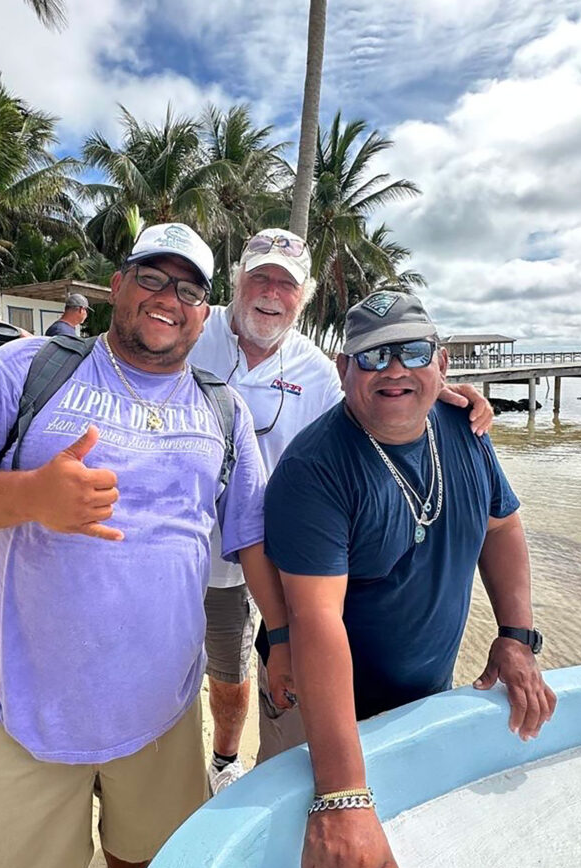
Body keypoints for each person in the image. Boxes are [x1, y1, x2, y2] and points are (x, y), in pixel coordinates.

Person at [0, 222, 291, 868]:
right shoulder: (29, 368)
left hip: (160, 715)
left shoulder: (219, 408)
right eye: (152, 279)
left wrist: (285, 640)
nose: (169, 299)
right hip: (18, 711)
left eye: (189, 289)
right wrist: (29, 499)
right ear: (116, 285)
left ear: (206, 316)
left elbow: (252, 533)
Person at [263, 290, 556, 868]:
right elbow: (315, 624)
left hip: (424, 687)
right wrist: (340, 792)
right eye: (372, 356)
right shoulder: (314, 470)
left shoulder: (462, 429)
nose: (392, 368)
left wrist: (516, 638)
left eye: (412, 350)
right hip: (320, 706)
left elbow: (502, 524)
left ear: (442, 363)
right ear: (344, 371)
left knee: (412, 857)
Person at [190, 230, 494, 793]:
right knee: (170, 672)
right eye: (260, 277)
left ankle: (223, 760)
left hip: (274, 555)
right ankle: (157, 769)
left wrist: (439, 396)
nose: (270, 293)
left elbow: (371, 416)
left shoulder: (317, 371)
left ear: (302, 296)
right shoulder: (192, 329)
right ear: (238, 281)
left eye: (285, 283)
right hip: (182, 547)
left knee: (235, 677)